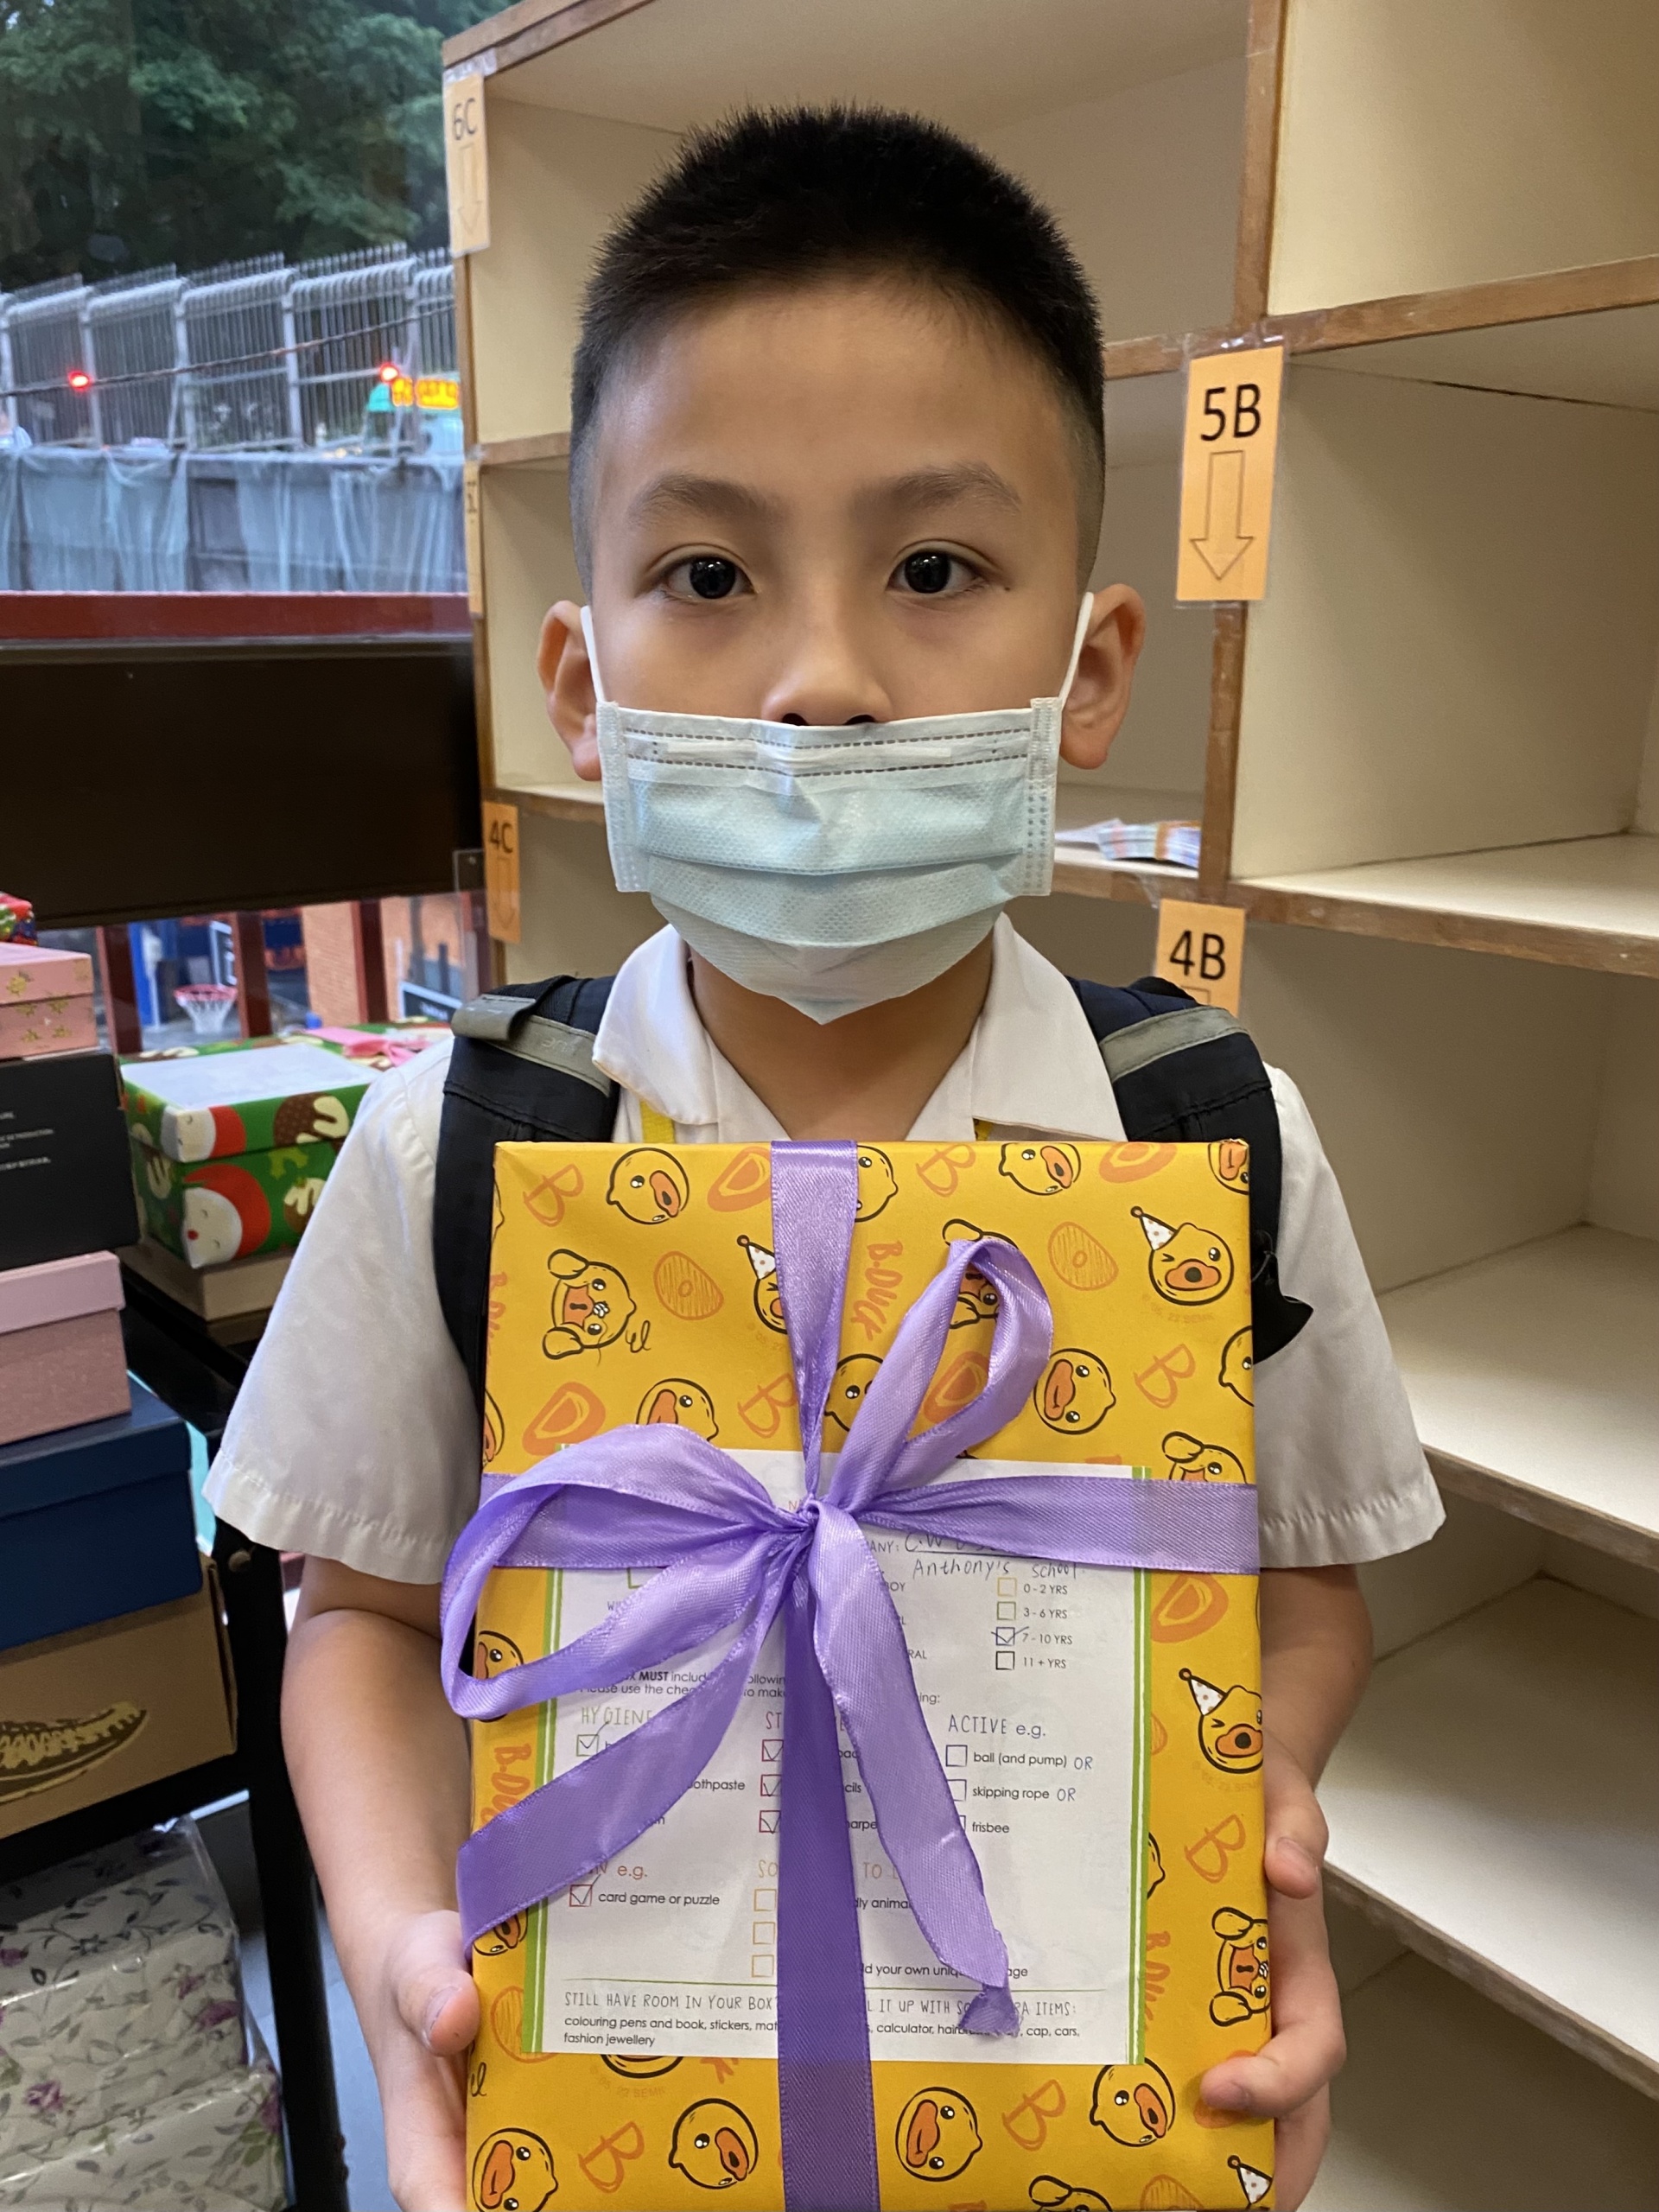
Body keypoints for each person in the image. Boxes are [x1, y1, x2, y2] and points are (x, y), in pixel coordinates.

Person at [207, 107, 1441, 2211]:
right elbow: (364, 1616)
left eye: (934, 570)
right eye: (708, 575)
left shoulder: (1204, 1133)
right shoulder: (468, 1144)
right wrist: (405, 1949)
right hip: (615, 2125)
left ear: (1090, 673)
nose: (823, 684)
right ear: (584, 689)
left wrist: (1256, 1801)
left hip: (1057, 2121)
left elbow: (1295, 1576)